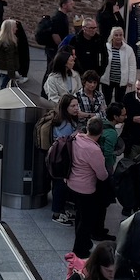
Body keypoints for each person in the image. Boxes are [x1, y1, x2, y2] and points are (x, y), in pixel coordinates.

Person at [67, 120, 109, 256]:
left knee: (80, 215)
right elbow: (102, 175)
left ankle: (84, 243)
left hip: (71, 182)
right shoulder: (94, 150)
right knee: (86, 220)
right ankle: (80, 249)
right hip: (85, 188)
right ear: (101, 132)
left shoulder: (76, 138)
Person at [49, 95, 83, 226]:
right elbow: (65, 142)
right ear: (65, 107)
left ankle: (60, 209)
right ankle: (57, 212)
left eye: (77, 105)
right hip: (62, 159)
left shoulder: (63, 119)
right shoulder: (65, 124)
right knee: (60, 185)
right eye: (72, 106)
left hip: (58, 158)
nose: (76, 108)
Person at [0, 17, 30, 89]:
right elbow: (10, 60)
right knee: (5, 86)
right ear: (11, 29)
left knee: (4, 81)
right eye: (15, 27)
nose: (17, 29)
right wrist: (12, 75)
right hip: (6, 69)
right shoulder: (10, 43)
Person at [103, 26, 137, 106]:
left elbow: (132, 65)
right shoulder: (106, 47)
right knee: (106, 100)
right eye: (116, 35)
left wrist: (131, 80)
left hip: (121, 80)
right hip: (107, 79)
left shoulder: (128, 49)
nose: (118, 37)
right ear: (112, 36)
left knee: (119, 101)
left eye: (120, 35)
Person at [70, 17, 108, 83]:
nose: (93, 30)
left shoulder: (100, 40)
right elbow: (71, 56)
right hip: (78, 75)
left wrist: (100, 72)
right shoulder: (75, 40)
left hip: (95, 75)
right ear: (84, 28)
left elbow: (105, 57)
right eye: (91, 28)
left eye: (95, 28)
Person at [44, 0, 75, 65]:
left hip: (55, 48)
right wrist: (62, 47)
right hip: (54, 48)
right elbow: (55, 34)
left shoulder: (63, 16)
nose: (73, 6)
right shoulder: (58, 17)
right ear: (64, 5)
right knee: (52, 67)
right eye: (71, 4)